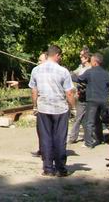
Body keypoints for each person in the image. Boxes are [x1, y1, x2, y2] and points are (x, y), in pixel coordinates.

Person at [29, 44, 75, 177]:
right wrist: (72, 108)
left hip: (43, 108)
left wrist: (35, 105)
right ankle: (61, 168)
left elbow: (34, 90)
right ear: (57, 55)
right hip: (60, 109)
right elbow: (69, 93)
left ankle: (48, 168)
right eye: (60, 56)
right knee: (60, 138)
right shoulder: (63, 71)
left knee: (45, 138)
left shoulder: (36, 70)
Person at [77, 52, 109, 148]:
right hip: (104, 100)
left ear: (95, 62)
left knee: (90, 122)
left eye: (91, 61)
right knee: (105, 121)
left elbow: (79, 79)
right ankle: (100, 139)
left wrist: (69, 74)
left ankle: (88, 143)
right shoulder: (107, 73)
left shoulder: (89, 72)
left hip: (92, 100)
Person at [68, 48, 91, 144]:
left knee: (92, 119)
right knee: (79, 117)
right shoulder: (80, 67)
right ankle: (73, 137)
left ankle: (93, 137)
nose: (80, 57)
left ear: (86, 57)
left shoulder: (90, 69)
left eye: (81, 56)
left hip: (90, 96)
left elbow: (80, 79)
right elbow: (73, 74)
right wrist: (66, 72)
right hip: (81, 96)